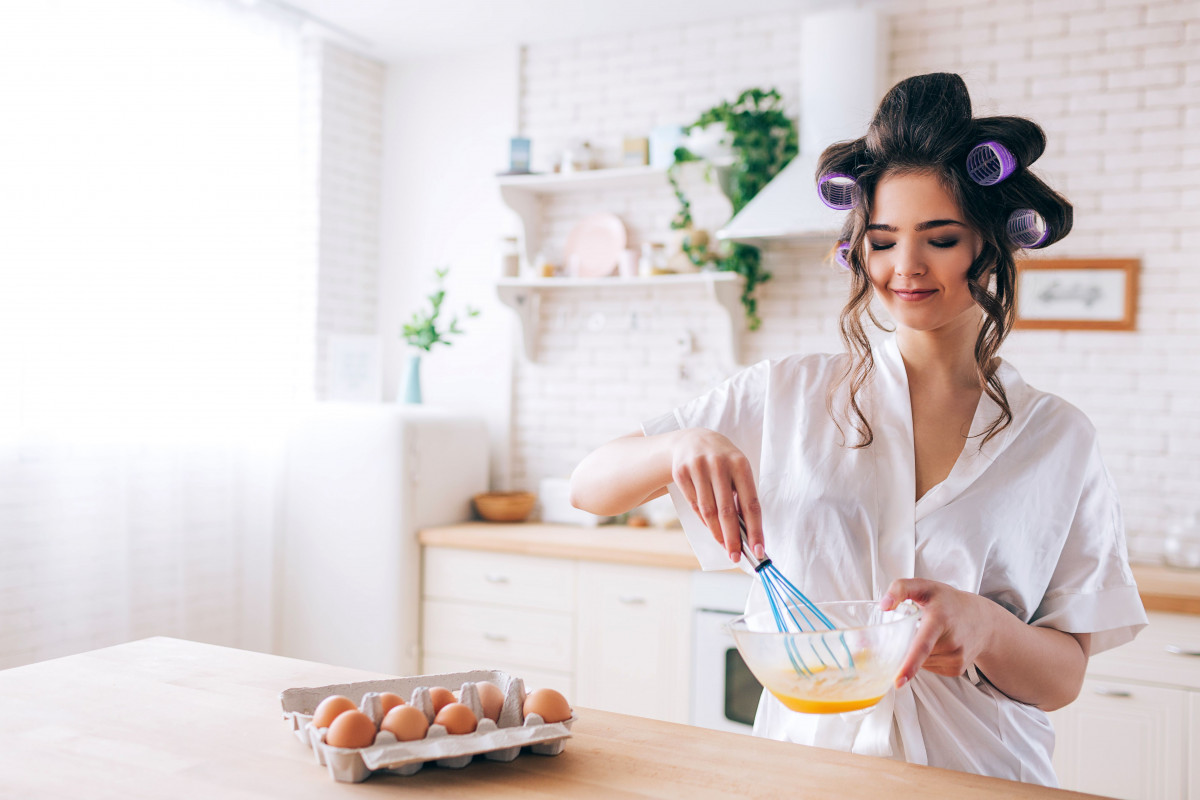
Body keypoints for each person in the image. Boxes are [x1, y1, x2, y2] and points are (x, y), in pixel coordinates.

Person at [569, 72, 1147, 786]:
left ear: (990, 245)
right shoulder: (787, 393)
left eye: (940, 238)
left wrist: (986, 627)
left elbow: (1063, 677)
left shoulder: (1058, 438)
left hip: (981, 774)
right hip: (805, 775)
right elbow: (588, 487)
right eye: (882, 241)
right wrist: (678, 445)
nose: (905, 267)